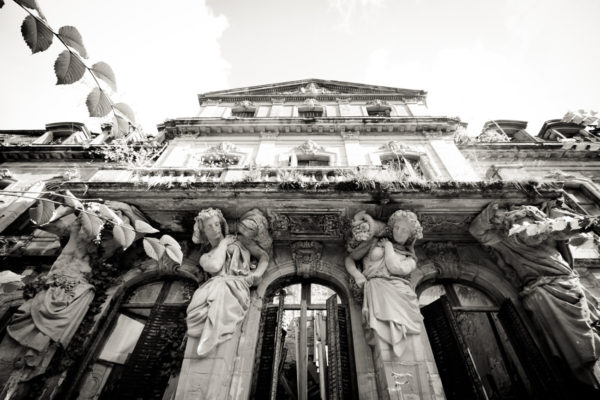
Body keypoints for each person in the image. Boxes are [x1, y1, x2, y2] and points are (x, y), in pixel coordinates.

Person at [469, 201, 600, 385]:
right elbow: (477, 230)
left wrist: (585, 222)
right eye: (518, 220)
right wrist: (494, 208)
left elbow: (558, 228)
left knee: (584, 338)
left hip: (561, 286)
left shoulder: (532, 232)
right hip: (545, 291)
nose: (523, 224)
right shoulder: (509, 238)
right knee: (575, 344)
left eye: (527, 219)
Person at [186, 208, 270, 357]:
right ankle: (207, 336)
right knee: (208, 296)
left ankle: (210, 337)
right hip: (214, 285)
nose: (215, 229)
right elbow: (215, 266)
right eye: (210, 226)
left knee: (220, 291)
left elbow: (264, 256)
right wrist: (224, 243)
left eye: (217, 224)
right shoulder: (205, 257)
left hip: (234, 285)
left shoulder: (240, 241)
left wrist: (256, 275)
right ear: (203, 231)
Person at [345, 210, 423, 358]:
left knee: (407, 341)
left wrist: (388, 247)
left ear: (410, 236)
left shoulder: (410, 259)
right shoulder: (375, 242)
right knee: (381, 334)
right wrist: (357, 275)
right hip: (377, 288)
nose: (398, 232)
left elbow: (394, 267)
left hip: (400, 293)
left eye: (404, 230)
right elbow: (350, 259)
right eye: (396, 227)